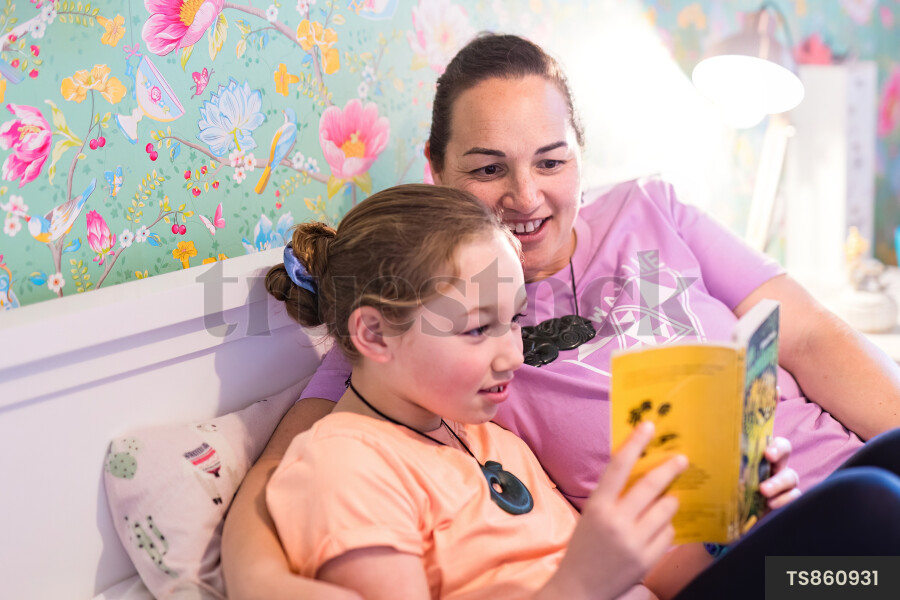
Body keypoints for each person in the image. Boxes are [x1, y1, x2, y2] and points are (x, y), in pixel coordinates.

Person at [221, 33, 900, 598]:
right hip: (763, 561)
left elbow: (808, 336)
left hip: (807, 486)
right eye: (489, 170)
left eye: (550, 161)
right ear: (437, 169)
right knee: (873, 514)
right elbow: (295, 468)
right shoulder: (418, 326)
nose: (525, 196)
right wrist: (256, 579)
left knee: (881, 480)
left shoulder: (651, 208)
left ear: (579, 154)